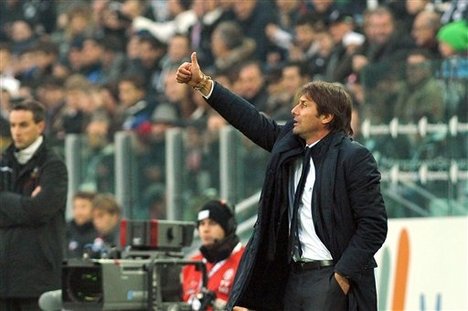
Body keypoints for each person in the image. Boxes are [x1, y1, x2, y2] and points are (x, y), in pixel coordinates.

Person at [176, 52, 388, 311]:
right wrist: (203, 84)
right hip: (292, 278)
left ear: (326, 117)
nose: (294, 111)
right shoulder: (290, 146)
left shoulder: (354, 157)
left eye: (304, 104)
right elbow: (250, 119)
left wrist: (341, 276)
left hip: (330, 278)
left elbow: (374, 225)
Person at [0, 100, 68, 310]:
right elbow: (30, 209)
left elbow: (39, 211)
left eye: (23, 125)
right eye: (13, 125)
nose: (16, 132)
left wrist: (3, 199)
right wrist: (26, 203)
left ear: (40, 126)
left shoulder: (53, 165)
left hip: (38, 278)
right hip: (4, 278)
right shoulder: (4, 162)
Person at [181, 200, 245, 310]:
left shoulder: (246, 261)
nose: (205, 229)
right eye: (201, 224)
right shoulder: (191, 265)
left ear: (228, 227)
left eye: (212, 223)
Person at [65, 191, 98, 259]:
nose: (78, 212)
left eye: (83, 207)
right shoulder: (65, 230)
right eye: (75, 207)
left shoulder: (100, 231)